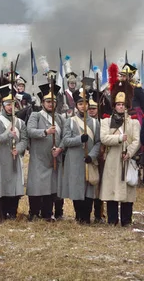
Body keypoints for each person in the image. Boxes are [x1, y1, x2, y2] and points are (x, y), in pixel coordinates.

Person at [100, 77, 140, 226]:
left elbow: (136, 140)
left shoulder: (134, 122)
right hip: (112, 159)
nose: (121, 107)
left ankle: (126, 220)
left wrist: (129, 153)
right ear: (114, 106)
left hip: (127, 159)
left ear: (127, 105)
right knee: (112, 191)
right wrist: (118, 139)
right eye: (118, 104)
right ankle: (112, 220)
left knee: (128, 193)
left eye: (123, 104)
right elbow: (104, 138)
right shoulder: (105, 121)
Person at [60, 88, 100, 224]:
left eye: (85, 103)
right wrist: (79, 139)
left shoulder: (95, 123)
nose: (83, 106)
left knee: (89, 189)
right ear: (76, 105)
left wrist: (92, 156)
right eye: (80, 103)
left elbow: (98, 142)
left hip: (88, 160)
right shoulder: (70, 121)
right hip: (75, 160)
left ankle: (87, 217)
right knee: (77, 189)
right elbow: (65, 141)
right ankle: (79, 216)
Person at [26, 80, 63, 222]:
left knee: (50, 187)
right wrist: (46, 132)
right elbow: (30, 131)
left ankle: (48, 213)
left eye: (53, 102)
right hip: (39, 157)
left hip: (53, 157)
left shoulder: (59, 118)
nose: (50, 104)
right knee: (37, 185)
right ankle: (34, 213)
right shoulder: (36, 115)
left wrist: (60, 149)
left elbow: (65, 135)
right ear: (42, 102)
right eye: (47, 101)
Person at [0, 84, 28, 219]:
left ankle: (13, 211)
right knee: (1, 185)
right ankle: (1, 211)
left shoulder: (20, 123)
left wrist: (19, 148)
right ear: (3, 106)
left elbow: (24, 140)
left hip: (14, 156)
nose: (10, 107)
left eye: (12, 104)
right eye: (7, 104)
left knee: (14, 185)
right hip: (1, 157)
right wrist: (7, 135)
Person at [87, 90, 105, 223]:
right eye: (90, 108)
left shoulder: (103, 122)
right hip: (87, 157)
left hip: (101, 158)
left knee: (99, 187)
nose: (91, 110)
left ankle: (99, 214)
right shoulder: (85, 121)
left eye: (94, 108)